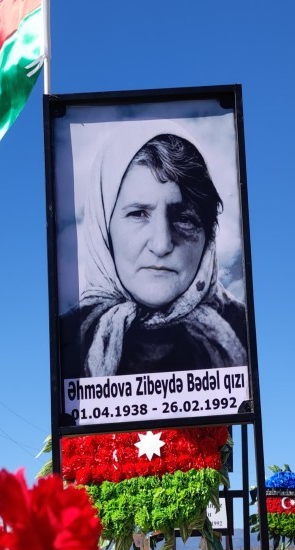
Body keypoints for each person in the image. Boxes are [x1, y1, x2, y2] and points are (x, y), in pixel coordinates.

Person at [61, 129, 249, 378]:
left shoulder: (244, 329)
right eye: (138, 214)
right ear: (104, 228)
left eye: (184, 219)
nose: (161, 245)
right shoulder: (65, 341)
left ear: (208, 236)